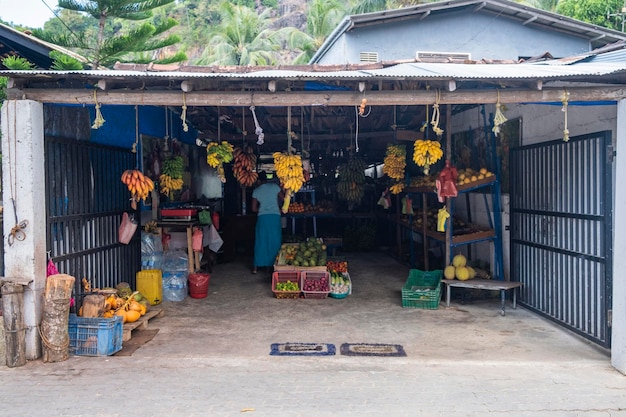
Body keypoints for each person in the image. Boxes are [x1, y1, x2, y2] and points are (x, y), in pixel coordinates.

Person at [251, 171, 283, 274]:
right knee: (274, 241)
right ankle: (273, 266)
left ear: (259, 180)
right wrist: (278, 207)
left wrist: (263, 208)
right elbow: (284, 198)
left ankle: (255, 268)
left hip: (263, 218)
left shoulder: (256, 191)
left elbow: (253, 208)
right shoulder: (275, 187)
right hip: (275, 217)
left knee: (261, 241)